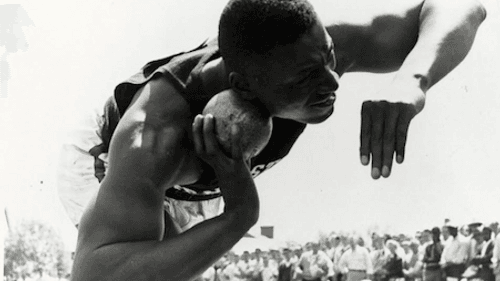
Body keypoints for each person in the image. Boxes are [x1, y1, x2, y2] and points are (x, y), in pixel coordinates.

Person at [66, 0, 487, 280]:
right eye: (307, 78)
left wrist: (413, 81)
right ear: (242, 86)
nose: (333, 80)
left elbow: (462, 5)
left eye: (329, 57)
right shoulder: (154, 136)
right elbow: (96, 272)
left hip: (196, 181)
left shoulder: (305, 51)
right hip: (103, 163)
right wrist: (241, 214)